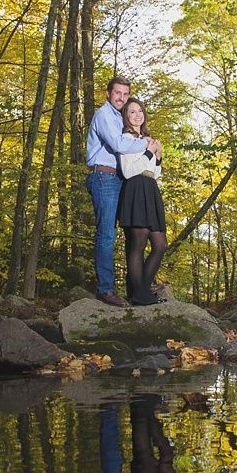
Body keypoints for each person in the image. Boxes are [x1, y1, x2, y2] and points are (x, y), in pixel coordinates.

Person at [86, 76, 160, 307]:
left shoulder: (121, 117)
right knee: (107, 233)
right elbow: (119, 144)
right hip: (104, 176)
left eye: (125, 94)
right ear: (108, 93)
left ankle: (136, 287)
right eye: (117, 93)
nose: (121, 97)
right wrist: (147, 144)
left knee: (132, 234)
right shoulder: (104, 115)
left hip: (120, 179)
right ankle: (105, 290)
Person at [116, 97, 166, 306]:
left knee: (160, 245)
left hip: (149, 188)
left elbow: (153, 173)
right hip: (135, 189)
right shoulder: (125, 139)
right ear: (126, 117)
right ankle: (140, 294)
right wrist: (148, 152)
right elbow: (128, 171)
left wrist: (158, 157)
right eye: (132, 112)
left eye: (140, 111)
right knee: (138, 243)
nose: (137, 115)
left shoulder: (147, 138)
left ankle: (142, 291)